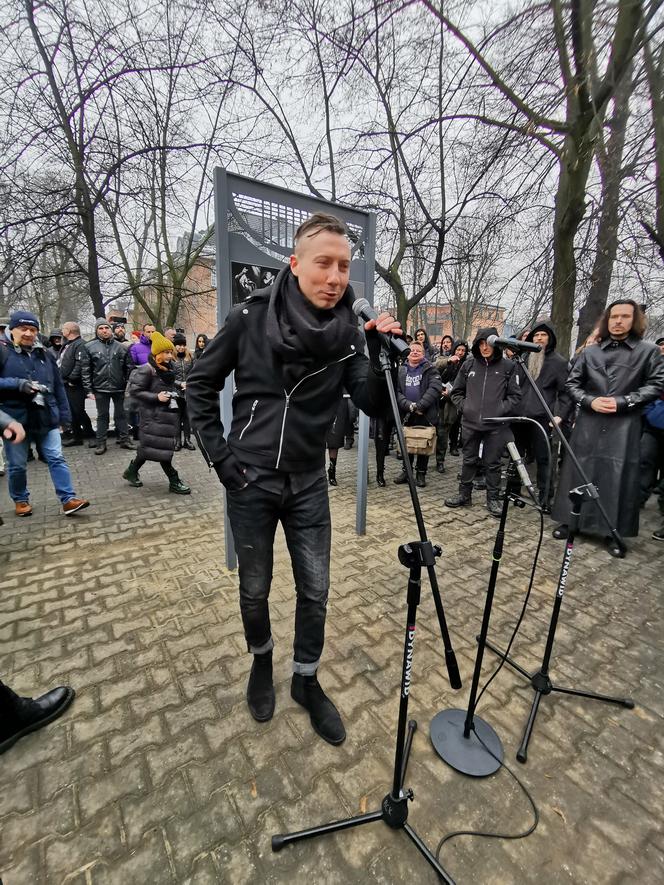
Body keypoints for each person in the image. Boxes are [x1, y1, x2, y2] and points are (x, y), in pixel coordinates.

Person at [186, 211, 401, 745]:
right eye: (323, 263)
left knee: (317, 590)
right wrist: (223, 462)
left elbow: (374, 404)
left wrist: (377, 356)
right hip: (251, 479)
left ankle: (305, 679)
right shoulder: (249, 317)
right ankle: (262, 663)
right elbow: (199, 384)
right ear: (296, 263)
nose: (334, 277)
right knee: (255, 588)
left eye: (344, 266)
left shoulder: (351, 334)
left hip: (307, 481)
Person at [551, 300, 664, 557]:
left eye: (624, 316)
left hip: (624, 423)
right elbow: (573, 383)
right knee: (579, 471)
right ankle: (571, 522)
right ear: (607, 320)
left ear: (634, 320)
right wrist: (590, 400)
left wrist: (623, 402)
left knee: (617, 477)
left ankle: (613, 531)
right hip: (590, 421)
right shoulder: (591, 352)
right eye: (614, 316)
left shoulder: (648, 351)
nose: (618, 321)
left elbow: (656, 385)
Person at [0, 311, 90, 517]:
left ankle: (68, 499)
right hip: (14, 420)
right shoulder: (3, 351)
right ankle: (21, 499)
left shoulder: (45, 354)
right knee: (17, 465)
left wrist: (65, 417)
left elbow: (58, 386)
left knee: (56, 457)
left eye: (33, 330)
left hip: (45, 416)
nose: (28, 334)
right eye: (23, 329)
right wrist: (17, 384)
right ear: (12, 329)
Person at [445, 327, 521, 517]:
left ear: (496, 344)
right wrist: (466, 407)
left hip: (496, 425)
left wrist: (499, 410)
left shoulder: (508, 367)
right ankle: (464, 495)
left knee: (493, 463)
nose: (484, 347)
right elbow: (456, 392)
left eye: (488, 343)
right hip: (470, 423)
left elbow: (515, 396)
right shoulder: (468, 365)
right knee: (468, 460)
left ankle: (493, 499)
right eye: (480, 343)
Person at [507, 319, 571, 511]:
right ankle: (513, 491)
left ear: (550, 339)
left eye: (543, 335)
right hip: (519, 416)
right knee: (515, 457)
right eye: (536, 335)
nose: (539, 338)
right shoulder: (523, 358)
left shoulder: (559, 363)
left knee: (544, 459)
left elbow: (566, 393)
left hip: (542, 419)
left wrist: (559, 415)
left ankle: (545, 498)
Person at [122, 332, 191, 494]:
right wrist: (156, 397)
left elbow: (166, 381)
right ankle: (174, 480)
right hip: (152, 416)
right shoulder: (147, 370)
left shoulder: (165, 369)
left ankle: (131, 472)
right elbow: (135, 391)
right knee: (163, 450)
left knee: (149, 448)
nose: (169, 355)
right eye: (166, 352)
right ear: (157, 354)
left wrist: (179, 384)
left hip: (165, 416)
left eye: (170, 352)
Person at [82, 319, 135, 455]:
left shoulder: (122, 347)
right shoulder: (89, 347)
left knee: (121, 415)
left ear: (111, 329)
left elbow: (129, 368)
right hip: (100, 388)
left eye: (106, 327)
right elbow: (86, 370)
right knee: (102, 416)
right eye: (101, 328)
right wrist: (88, 389)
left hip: (119, 387)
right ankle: (101, 443)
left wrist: (127, 385)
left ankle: (125, 440)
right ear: (96, 330)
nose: (104, 330)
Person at [394, 340, 441, 488]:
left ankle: (421, 474)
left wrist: (420, 406)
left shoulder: (430, 369)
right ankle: (406, 472)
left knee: (423, 445)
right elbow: (397, 392)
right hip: (407, 414)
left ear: (423, 353)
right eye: (412, 350)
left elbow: (435, 388)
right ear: (407, 354)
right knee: (407, 444)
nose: (414, 352)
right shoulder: (401, 370)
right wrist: (409, 406)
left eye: (418, 350)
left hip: (425, 414)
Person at [434, 340, 468, 473]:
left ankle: (440, 461)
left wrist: (451, 394)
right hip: (437, 400)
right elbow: (435, 367)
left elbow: (465, 387)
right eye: (458, 350)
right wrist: (449, 361)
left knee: (443, 433)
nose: (460, 353)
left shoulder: (466, 366)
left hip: (451, 404)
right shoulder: (444, 359)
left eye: (463, 351)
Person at [59, 322, 94, 446]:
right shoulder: (68, 344)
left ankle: (91, 435)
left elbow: (80, 364)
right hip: (66, 384)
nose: (62, 331)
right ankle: (77, 436)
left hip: (75, 385)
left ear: (69, 331)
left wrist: (72, 379)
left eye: (63, 328)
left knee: (79, 411)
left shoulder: (80, 344)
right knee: (72, 412)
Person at [172, 333, 195, 451]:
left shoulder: (190, 357)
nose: (181, 347)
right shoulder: (171, 358)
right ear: (174, 345)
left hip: (187, 392)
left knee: (187, 417)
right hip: (175, 393)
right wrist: (179, 383)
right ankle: (177, 441)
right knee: (176, 417)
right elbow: (169, 377)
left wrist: (189, 383)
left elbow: (194, 373)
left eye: (183, 345)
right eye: (178, 345)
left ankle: (187, 440)